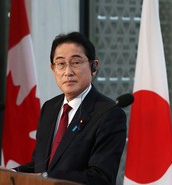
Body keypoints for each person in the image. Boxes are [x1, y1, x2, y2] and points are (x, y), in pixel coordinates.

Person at [14, 32, 127, 185]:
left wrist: (47, 177)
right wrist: (12, 173)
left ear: (94, 66)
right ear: (53, 69)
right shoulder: (49, 107)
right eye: (61, 64)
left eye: (75, 62)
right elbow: (39, 165)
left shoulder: (109, 114)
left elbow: (101, 177)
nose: (68, 72)